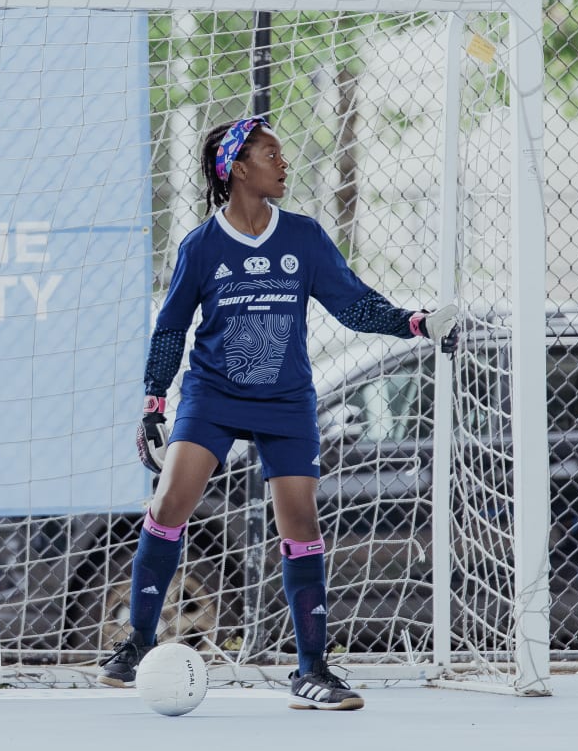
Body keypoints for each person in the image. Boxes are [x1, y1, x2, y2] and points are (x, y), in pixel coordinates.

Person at [97, 116, 458, 711]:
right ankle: (136, 643)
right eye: (272, 153)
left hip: (286, 401)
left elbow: (356, 305)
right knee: (168, 504)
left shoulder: (304, 236)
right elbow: (170, 328)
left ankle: (311, 671)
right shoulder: (202, 244)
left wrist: (414, 323)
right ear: (239, 168)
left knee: (300, 521)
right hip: (212, 396)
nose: (284, 163)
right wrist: (154, 401)